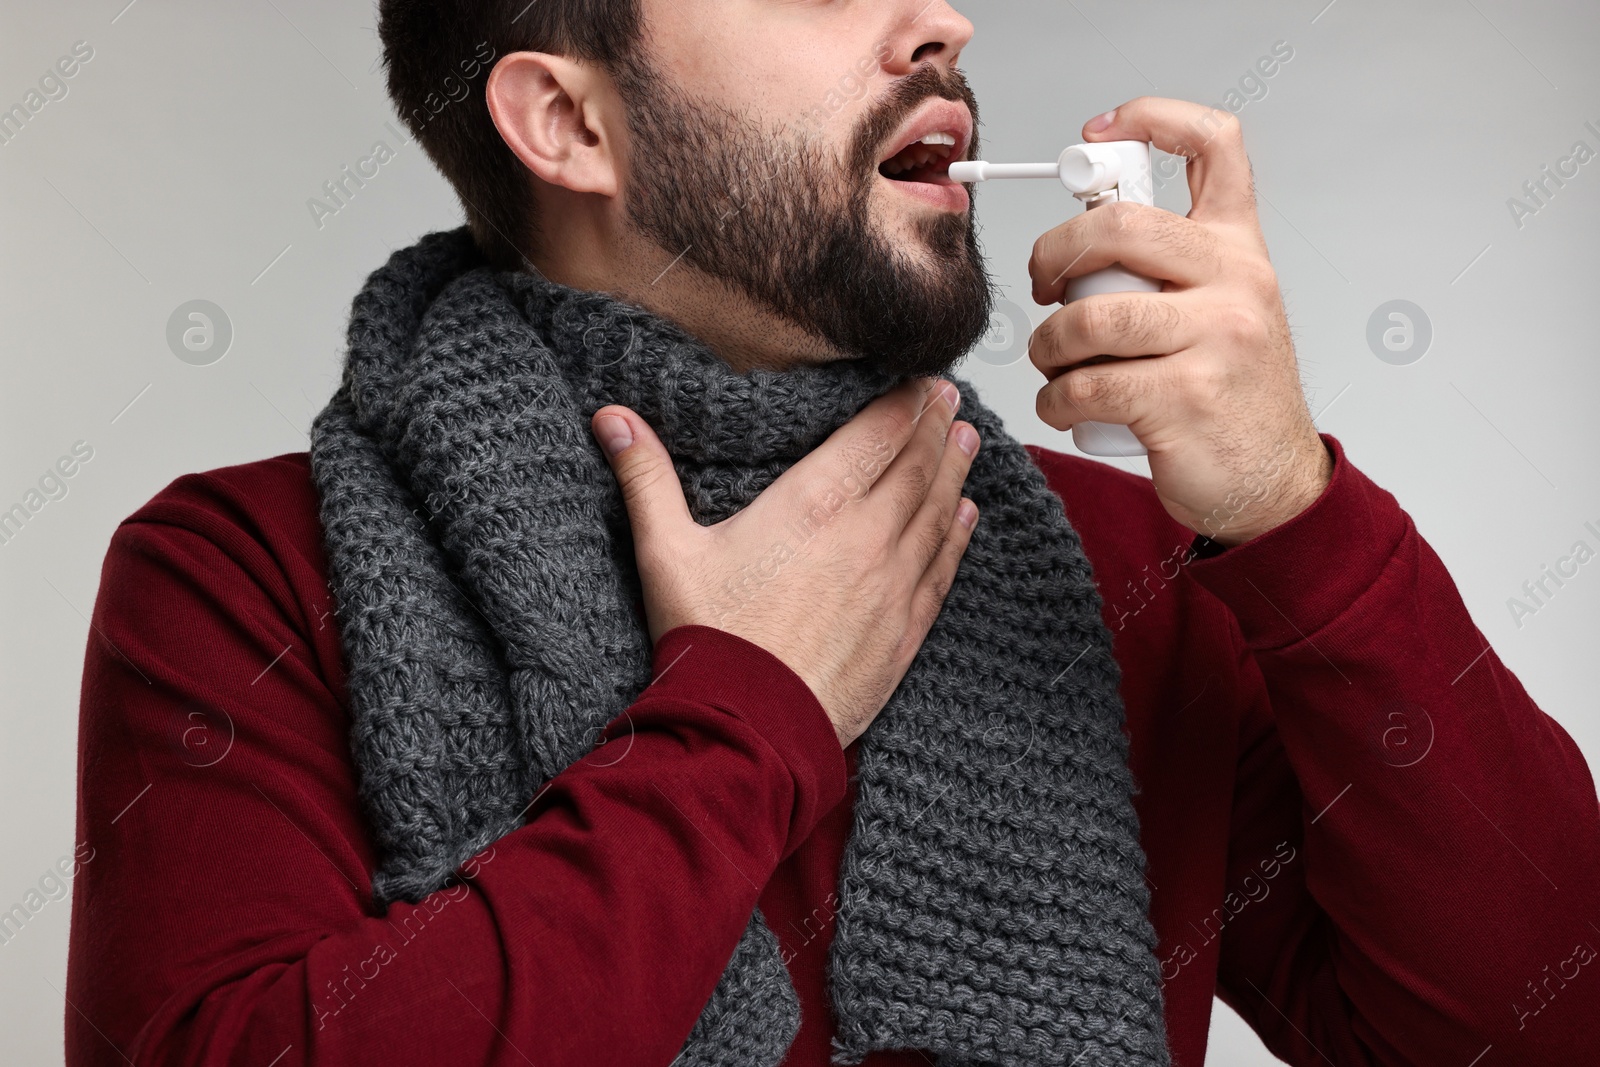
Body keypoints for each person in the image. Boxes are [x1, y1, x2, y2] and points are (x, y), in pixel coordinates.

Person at [65, 2, 1599, 1065]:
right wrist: (744, 718)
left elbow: (1538, 1030)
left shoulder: (1131, 567)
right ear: (567, 120)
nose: (943, 24)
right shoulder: (240, 579)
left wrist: (1298, 525)